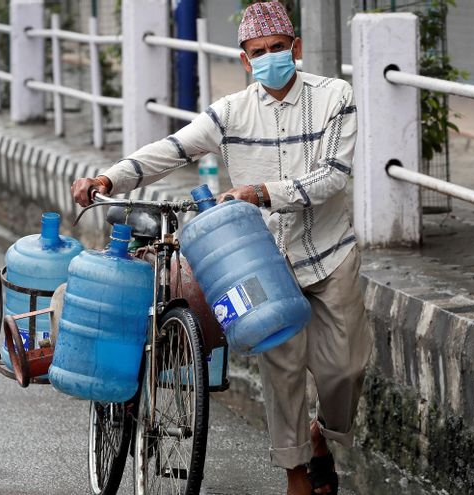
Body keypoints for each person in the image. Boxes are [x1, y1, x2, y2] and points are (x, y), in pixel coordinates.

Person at [70, 3, 370, 494]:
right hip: (261, 263)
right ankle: (296, 474)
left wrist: (262, 192)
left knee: (344, 370)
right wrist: (109, 176)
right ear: (245, 60)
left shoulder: (335, 96)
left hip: (329, 255)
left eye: (278, 48)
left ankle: (321, 436)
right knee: (283, 370)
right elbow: (171, 149)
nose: (271, 57)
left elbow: (333, 176)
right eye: (259, 52)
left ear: (296, 49)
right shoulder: (231, 112)